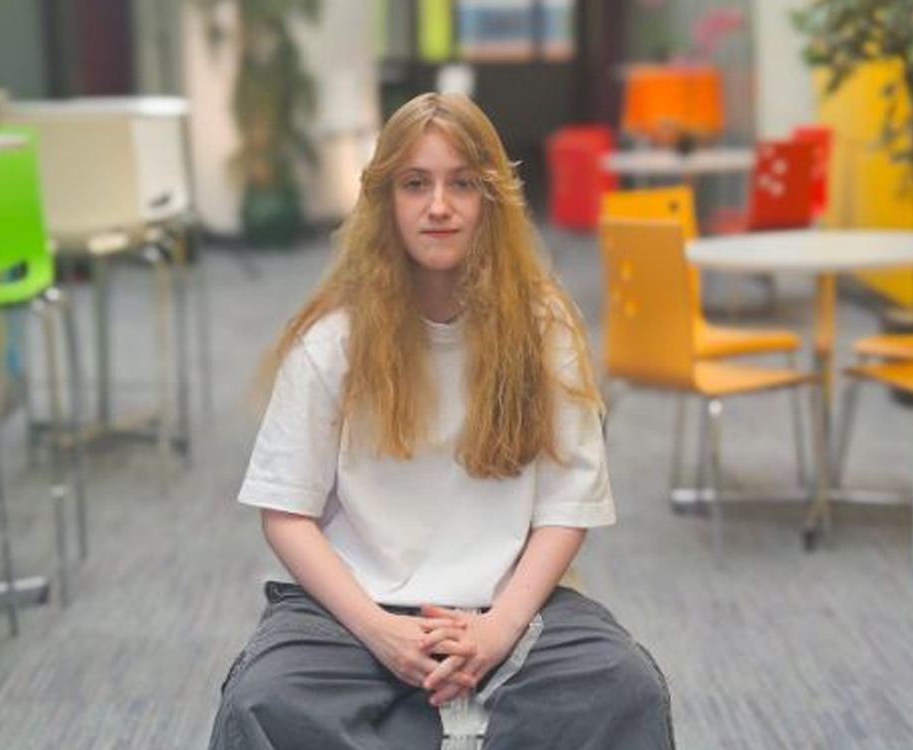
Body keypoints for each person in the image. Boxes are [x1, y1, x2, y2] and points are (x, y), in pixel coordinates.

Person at [209, 92, 674, 750]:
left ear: (491, 200)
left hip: (506, 603)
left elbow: (566, 506)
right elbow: (285, 513)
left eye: (462, 183)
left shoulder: (542, 331)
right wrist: (377, 629)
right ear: (384, 202)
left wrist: (500, 628)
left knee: (625, 690)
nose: (438, 206)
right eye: (414, 184)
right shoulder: (332, 340)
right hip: (348, 610)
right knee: (261, 704)